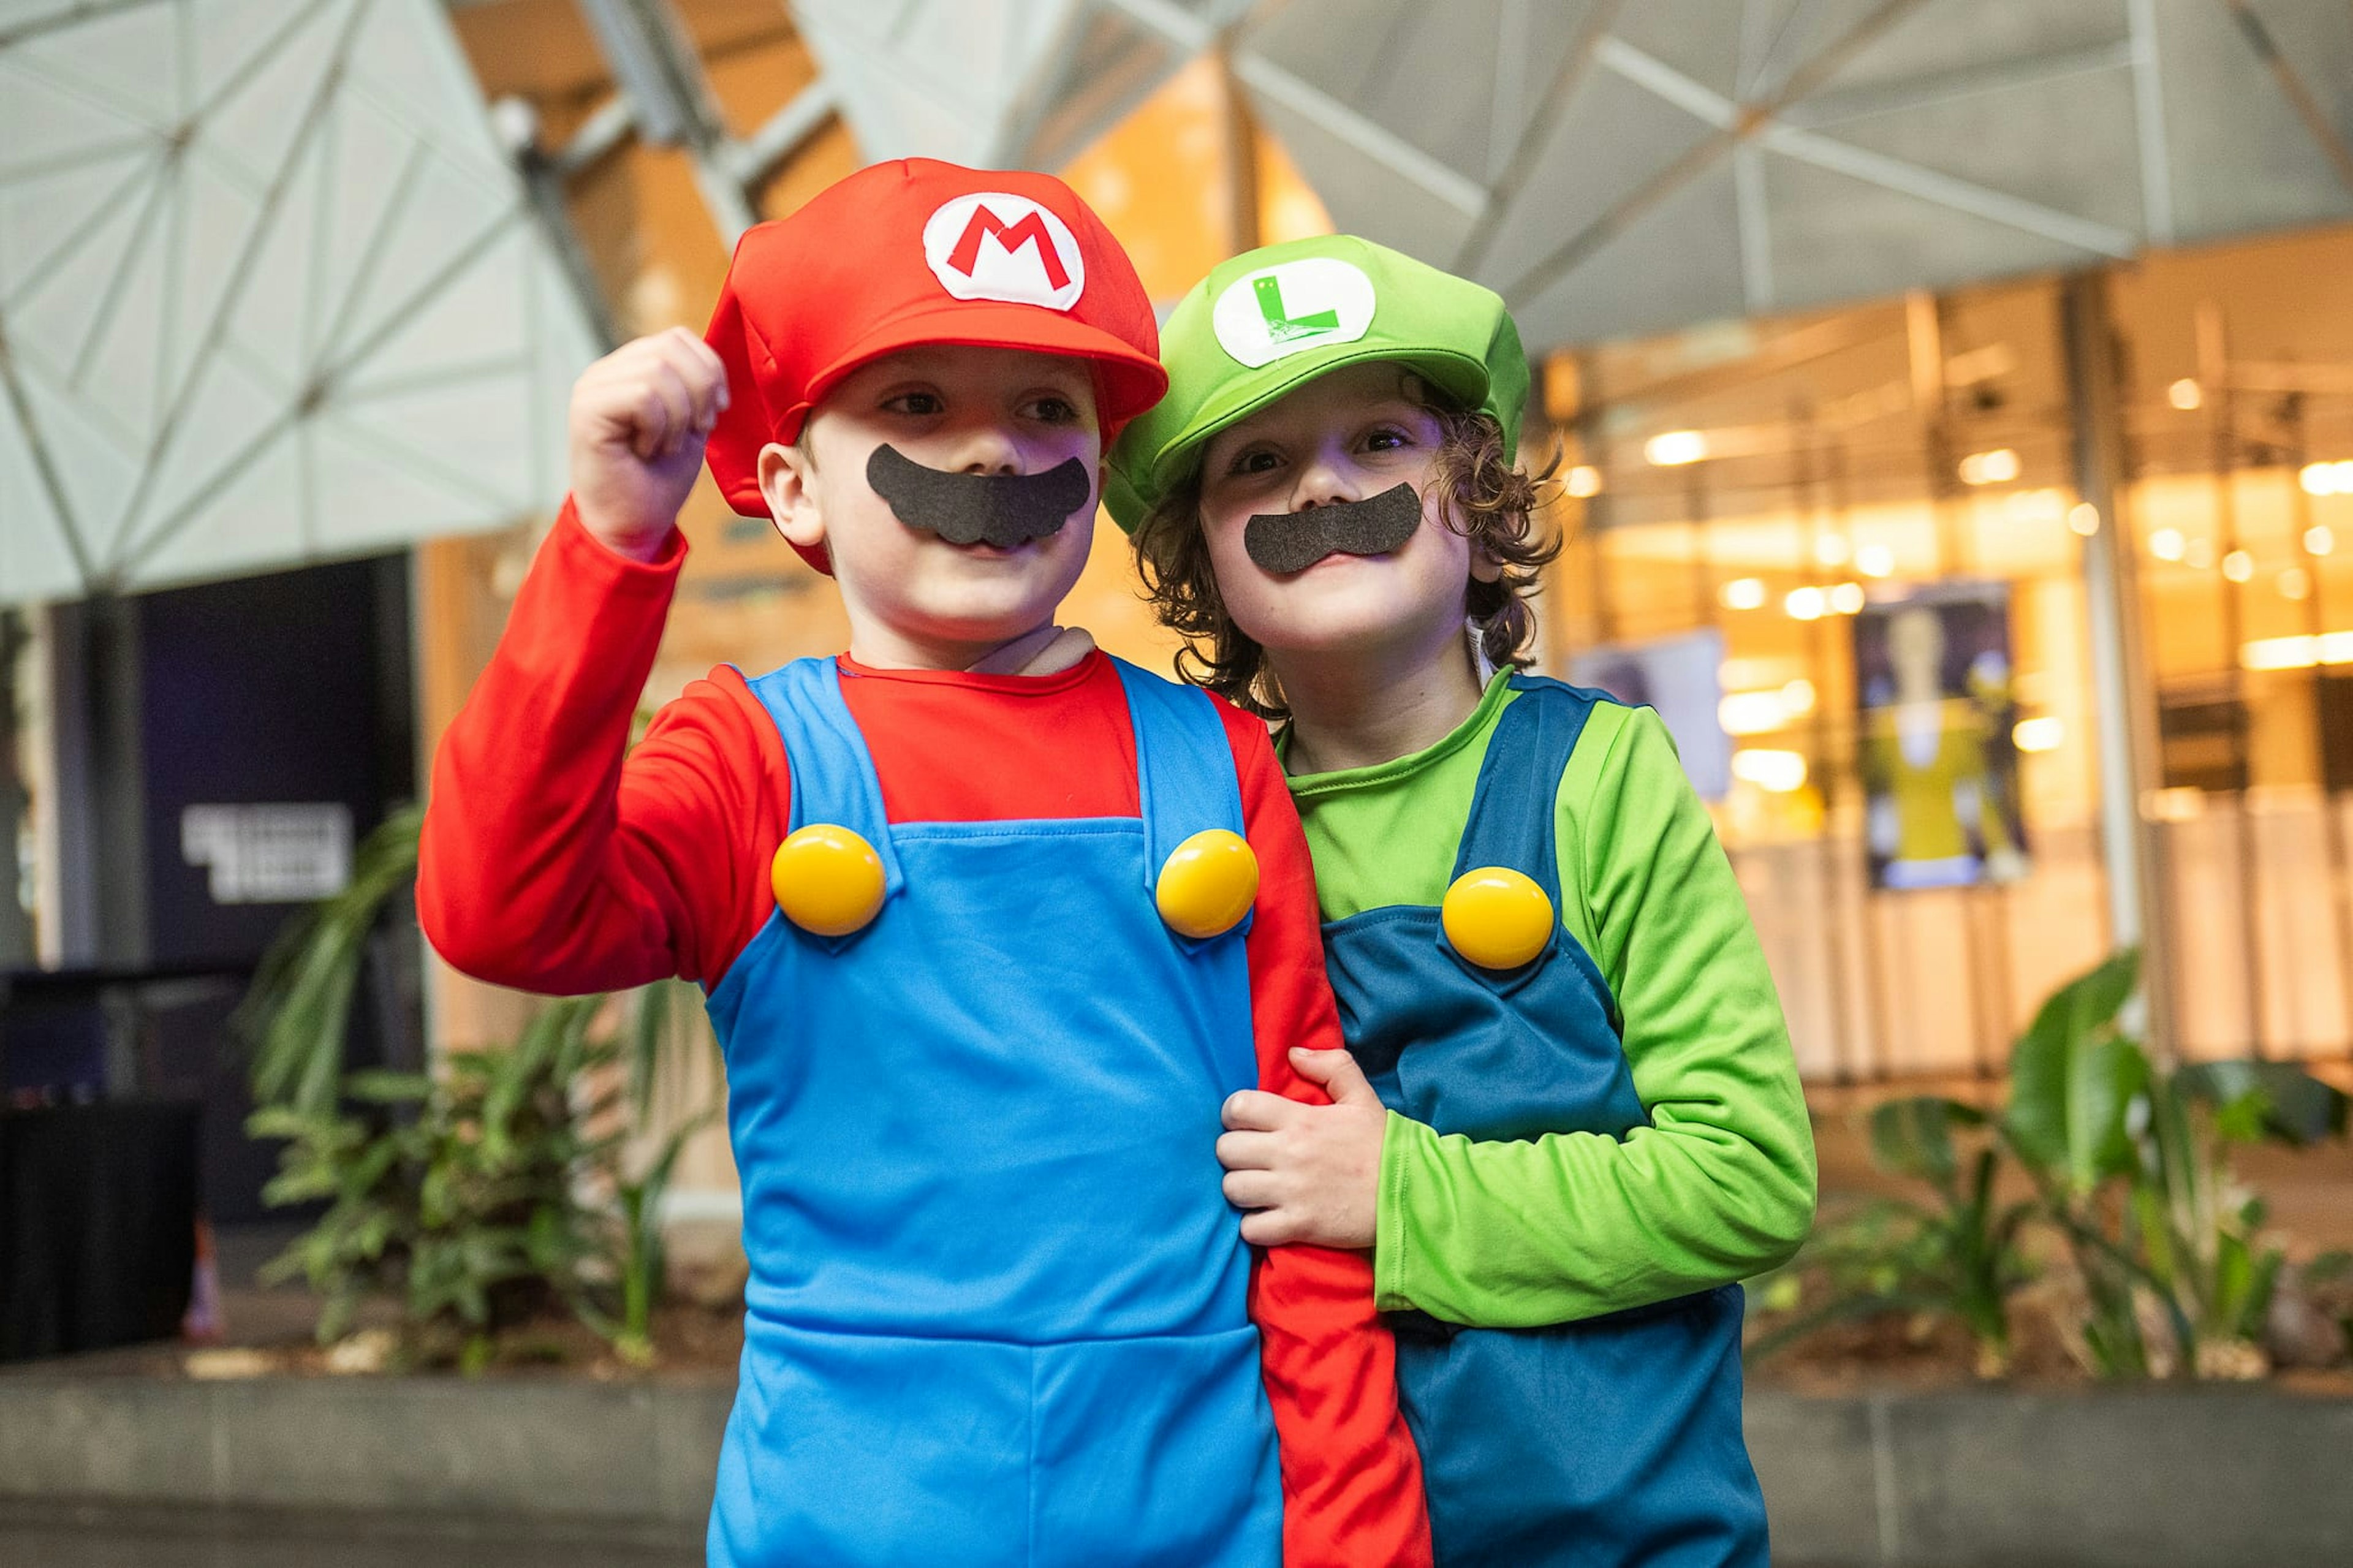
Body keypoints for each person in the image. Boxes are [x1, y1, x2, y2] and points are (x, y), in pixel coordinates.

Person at [417, 164, 1428, 1568]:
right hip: (852, 1515)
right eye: (914, 404)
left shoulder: (1218, 757)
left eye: (1044, 407)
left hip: (1203, 1505)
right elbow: (500, 912)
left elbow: (1308, 1197)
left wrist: (1361, 1545)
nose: (992, 454)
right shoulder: (748, 758)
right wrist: (609, 544)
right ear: (791, 486)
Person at [1108, 234, 1817, 1567]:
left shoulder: (1596, 776)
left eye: (1381, 439)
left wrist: (1403, 1193)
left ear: (1476, 491)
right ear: (1203, 553)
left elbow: (1750, 1175)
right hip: (1304, 1524)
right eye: (1257, 461)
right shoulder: (1195, 826)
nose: (1324, 482)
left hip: (1624, 1536)